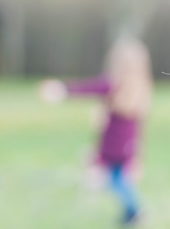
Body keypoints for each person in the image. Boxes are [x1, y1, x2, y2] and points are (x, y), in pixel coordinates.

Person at [40, 35, 152, 226]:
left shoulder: (114, 85)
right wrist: (136, 154)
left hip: (112, 146)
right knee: (118, 180)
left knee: (113, 179)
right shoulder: (142, 89)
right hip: (126, 147)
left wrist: (62, 91)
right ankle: (131, 211)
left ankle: (134, 210)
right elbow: (139, 127)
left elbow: (87, 89)